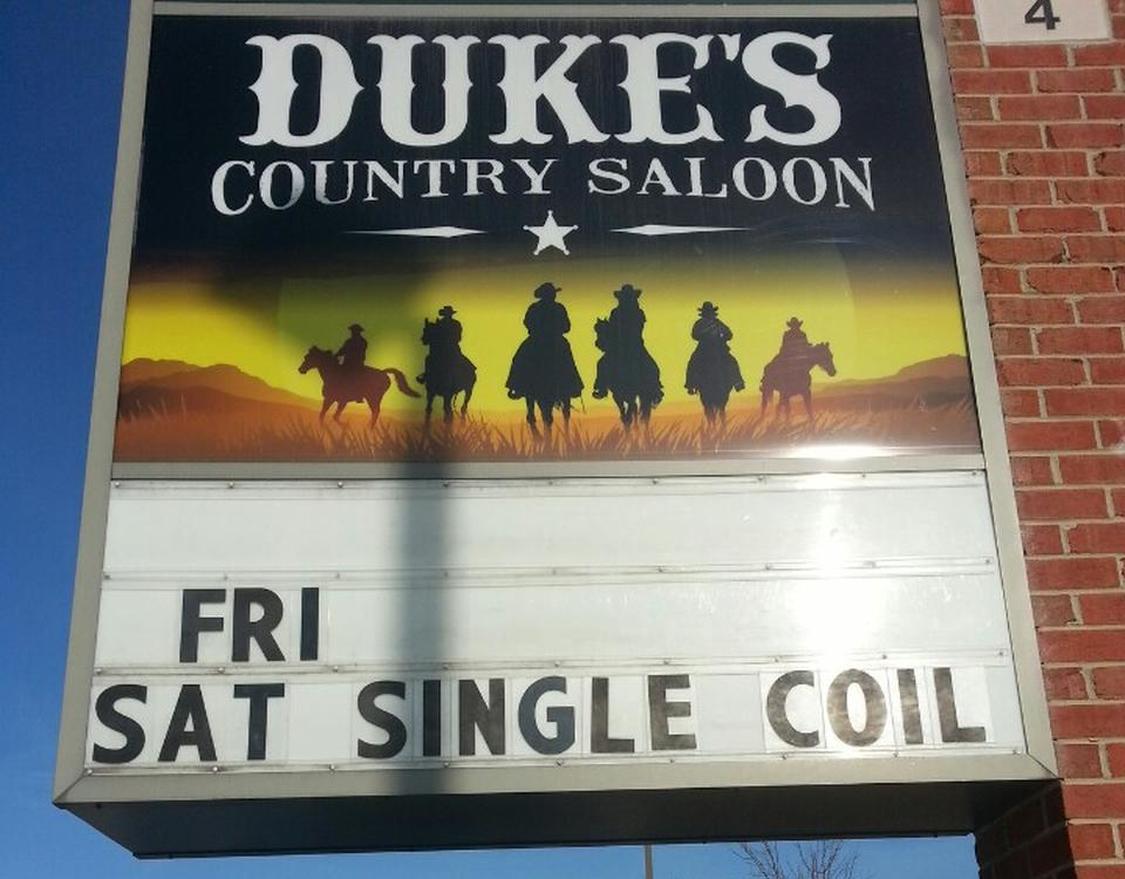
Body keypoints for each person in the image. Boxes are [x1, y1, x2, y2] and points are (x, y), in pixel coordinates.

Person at [506, 282, 583, 403]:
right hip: (554, 340)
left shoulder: (534, 308)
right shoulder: (559, 308)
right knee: (567, 360)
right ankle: (573, 387)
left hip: (537, 340)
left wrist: (538, 330)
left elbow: (527, 323)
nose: (554, 295)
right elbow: (567, 327)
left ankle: (517, 386)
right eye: (552, 293)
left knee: (520, 358)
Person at [593, 283, 662, 402]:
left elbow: (638, 328)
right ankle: (602, 387)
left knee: (651, 367)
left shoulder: (637, 313)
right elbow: (614, 328)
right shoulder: (617, 312)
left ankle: (654, 387)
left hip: (633, 345)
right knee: (602, 363)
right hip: (626, 345)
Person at [685, 301, 744, 394]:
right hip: (704, 349)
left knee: (732, 361)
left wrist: (723, 337)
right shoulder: (699, 323)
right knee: (693, 362)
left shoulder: (718, 323)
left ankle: (738, 382)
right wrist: (704, 336)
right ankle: (691, 385)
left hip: (718, 348)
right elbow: (694, 335)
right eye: (707, 312)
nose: (708, 314)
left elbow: (729, 334)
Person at [418, 305, 463, 385]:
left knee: (456, 358)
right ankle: (426, 374)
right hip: (441, 347)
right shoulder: (440, 323)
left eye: (448, 313)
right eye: (445, 313)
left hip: (452, 346)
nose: (447, 315)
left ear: (451, 314)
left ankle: (460, 376)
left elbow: (458, 337)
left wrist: (449, 339)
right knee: (429, 359)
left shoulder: (456, 324)